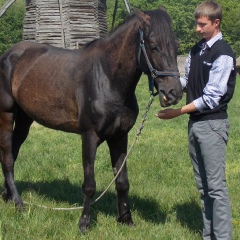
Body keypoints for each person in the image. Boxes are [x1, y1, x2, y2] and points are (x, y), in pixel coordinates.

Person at [156, 1, 236, 239]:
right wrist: (166, 89)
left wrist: (178, 112)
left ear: (216, 23)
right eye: (197, 24)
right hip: (196, 125)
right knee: (204, 188)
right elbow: (186, 81)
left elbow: (211, 98)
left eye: (202, 24)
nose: (197, 29)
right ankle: (207, 235)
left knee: (216, 189)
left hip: (213, 125)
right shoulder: (195, 50)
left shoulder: (224, 54)